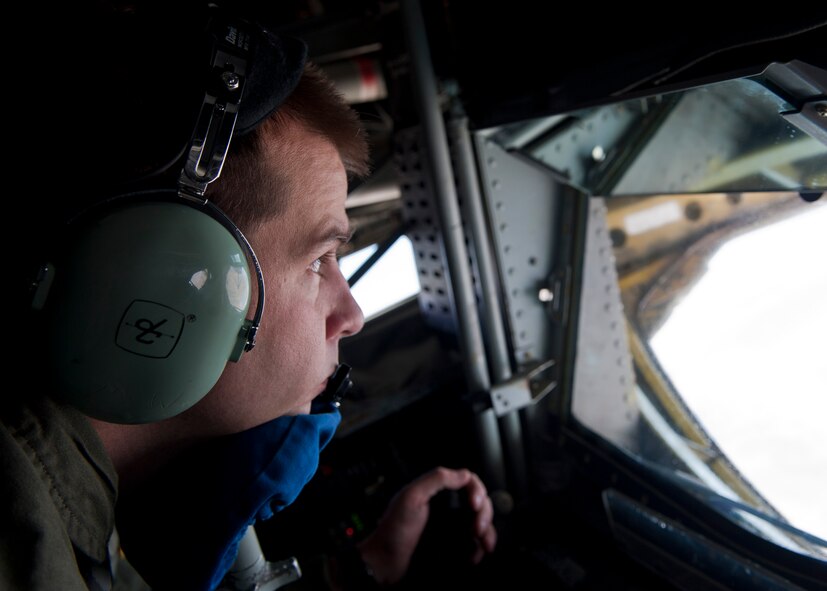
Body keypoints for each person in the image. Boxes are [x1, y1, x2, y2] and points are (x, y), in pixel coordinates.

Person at [2, 4, 495, 590]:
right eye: (319, 260)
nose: (353, 315)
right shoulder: (25, 546)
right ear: (166, 277)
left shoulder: (67, 507)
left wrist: (363, 571)